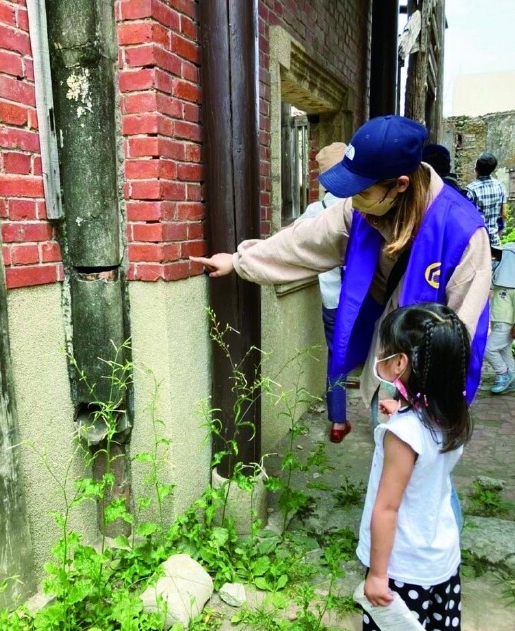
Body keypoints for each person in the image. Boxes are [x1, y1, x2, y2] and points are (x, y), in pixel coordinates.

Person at [191, 115, 491, 417]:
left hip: (429, 387)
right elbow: (305, 239)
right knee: (384, 452)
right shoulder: (361, 210)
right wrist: (239, 260)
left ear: (400, 184)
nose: (352, 200)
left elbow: (466, 328)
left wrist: (427, 404)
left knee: (411, 461)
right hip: (386, 362)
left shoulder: (462, 232)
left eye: (361, 192)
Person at [358, 302, 470, 631]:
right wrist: (404, 409)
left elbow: (386, 509)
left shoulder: (403, 436)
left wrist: (376, 574)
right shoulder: (451, 415)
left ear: (401, 363)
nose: (380, 356)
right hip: (441, 556)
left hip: (401, 568)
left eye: (385, 350)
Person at [298, 142, 351, 443]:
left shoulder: (313, 212)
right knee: (379, 354)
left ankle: (338, 422)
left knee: (338, 357)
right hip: (369, 300)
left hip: (333, 301)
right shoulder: (366, 205)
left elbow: (294, 246)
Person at [484, 242, 515, 393]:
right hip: (497, 320)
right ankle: (513, 377)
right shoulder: (499, 281)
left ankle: (503, 374)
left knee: (488, 349)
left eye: (500, 257)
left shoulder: (513, 286)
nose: (496, 259)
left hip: (506, 323)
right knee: (504, 351)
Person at [466, 152, 507, 248]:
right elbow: (504, 214)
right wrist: (498, 233)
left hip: (477, 243)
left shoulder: (470, 190)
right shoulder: (500, 186)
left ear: (476, 168)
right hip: (495, 241)